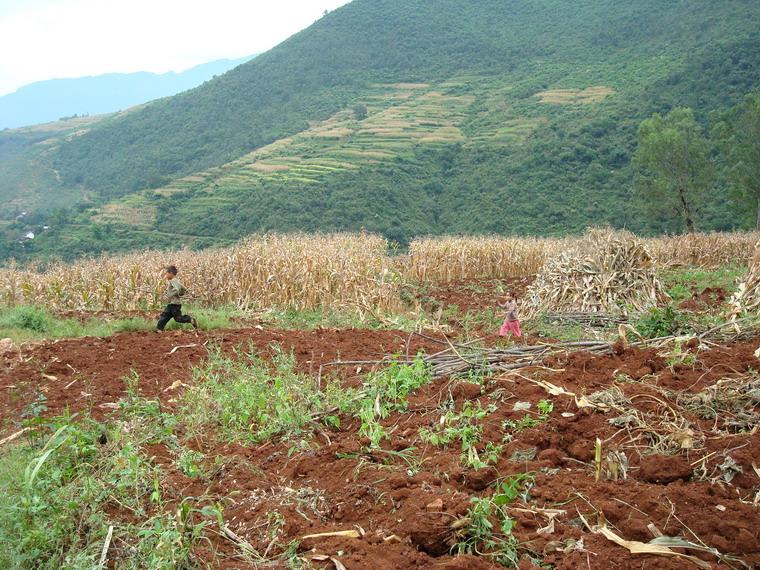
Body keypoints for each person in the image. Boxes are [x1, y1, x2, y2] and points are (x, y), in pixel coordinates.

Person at [156, 265, 198, 331]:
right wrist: (181, 294)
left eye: (167, 273)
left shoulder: (173, 281)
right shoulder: (176, 281)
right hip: (173, 304)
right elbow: (183, 289)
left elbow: (177, 289)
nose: (166, 275)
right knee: (165, 316)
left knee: (178, 318)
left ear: (171, 273)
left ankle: (190, 319)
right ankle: (159, 329)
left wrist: (170, 294)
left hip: (174, 304)